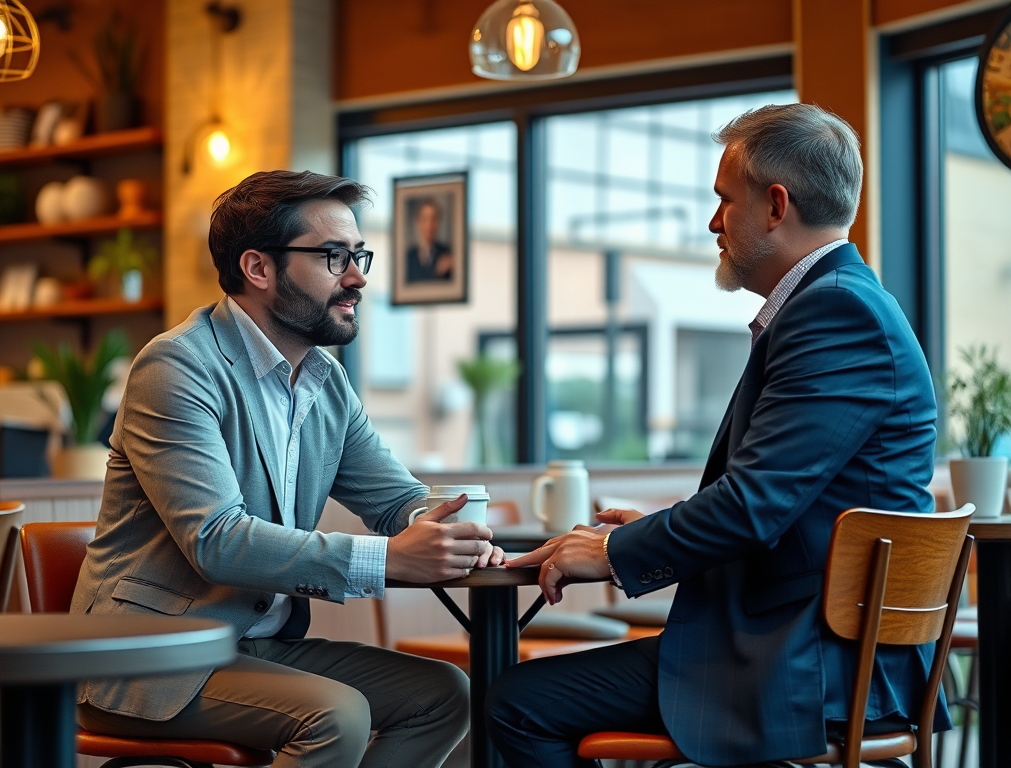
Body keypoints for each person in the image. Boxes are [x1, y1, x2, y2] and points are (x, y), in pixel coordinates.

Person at [485, 103, 947, 767]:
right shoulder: (842, 300)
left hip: (810, 663)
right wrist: (649, 528)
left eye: (724, 200)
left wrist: (616, 549)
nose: (712, 222)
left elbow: (756, 505)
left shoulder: (835, 310)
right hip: (816, 646)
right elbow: (787, 503)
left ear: (776, 205)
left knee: (517, 702)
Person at [71, 170, 505, 768]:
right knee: (336, 714)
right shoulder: (176, 366)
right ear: (258, 268)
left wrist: (448, 528)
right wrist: (390, 558)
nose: (356, 278)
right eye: (333, 257)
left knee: (442, 694)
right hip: (149, 657)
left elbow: (393, 497)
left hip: (255, 645)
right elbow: (215, 540)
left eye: (358, 255)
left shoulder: (325, 381)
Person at [405, 199, 453, 282]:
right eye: (425, 219)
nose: (429, 225)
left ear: (438, 222)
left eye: (433, 219)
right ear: (418, 222)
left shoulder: (448, 254)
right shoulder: (407, 257)